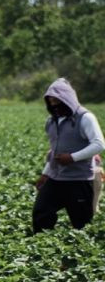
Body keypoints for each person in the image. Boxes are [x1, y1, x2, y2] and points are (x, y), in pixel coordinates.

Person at [33, 78, 104, 233]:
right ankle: (43, 246)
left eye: (56, 101)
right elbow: (54, 151)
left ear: (67, 99)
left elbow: (99, 144)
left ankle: (79, 252)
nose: (53, 105)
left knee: (81, 223)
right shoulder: (51, 121)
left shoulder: (85, 118)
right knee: (41, 212)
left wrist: (72, 157)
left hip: (79, 179)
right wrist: (45, 174)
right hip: (55, 178)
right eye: (50, 101)